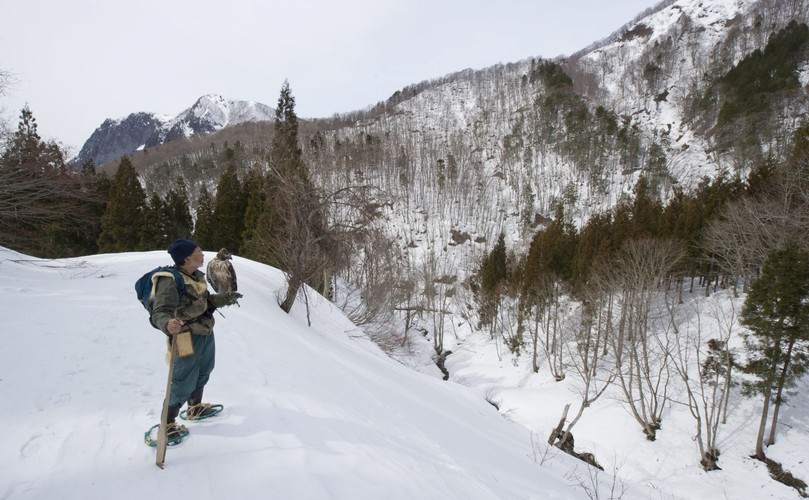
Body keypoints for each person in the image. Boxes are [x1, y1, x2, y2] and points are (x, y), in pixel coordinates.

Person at [151, 238, 241, 439]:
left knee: (204, 370)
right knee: (183, 379)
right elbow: (160, 311)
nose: (202, 254)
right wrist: (167, 323)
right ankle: (167, 423)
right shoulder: (170, 281)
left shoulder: (195, 277)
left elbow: (206, 300)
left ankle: (195, 407)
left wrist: (226, 298)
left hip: (205, 330)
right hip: (185, 336)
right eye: (198, 251)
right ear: (186, 259)